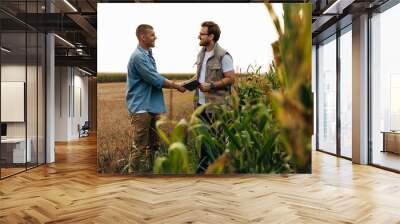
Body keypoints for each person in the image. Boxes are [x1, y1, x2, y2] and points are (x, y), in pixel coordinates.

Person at [126, 24, 186, 173]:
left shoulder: (148, 54)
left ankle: (150, 171)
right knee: (139, 146)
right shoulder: (138, 57)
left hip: (152, 106)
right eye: (152, 35)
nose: (155, 37)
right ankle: (132, 176)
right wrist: (176, 85)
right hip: (141, 108)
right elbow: (154, 79)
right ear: (143, 37)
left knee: (154, 145)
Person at [191, 21, 235, 173]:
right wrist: (188, 82)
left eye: (202, 34)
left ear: (211, 36)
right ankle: (203, 172)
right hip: (200, 106)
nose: (198, 36)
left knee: (217, 143)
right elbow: (200, 75)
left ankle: (217, 173)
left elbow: (230, 78)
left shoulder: (224, 55)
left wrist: (211, 86)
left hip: (217, 108)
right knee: (203, 142)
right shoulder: (201, 53)